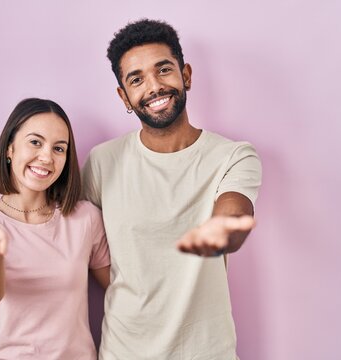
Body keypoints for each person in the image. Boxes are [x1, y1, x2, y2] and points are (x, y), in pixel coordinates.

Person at [81, 19, 262, 359]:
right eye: (137, 79)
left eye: (163, 70)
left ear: (186, 75)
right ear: (124, 96)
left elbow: (233, 217)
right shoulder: (102, 162)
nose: (154, 87)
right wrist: (136, 291)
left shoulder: (233, 156)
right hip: (125, 352)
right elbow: (82, 244)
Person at [0, 98, 110, 360]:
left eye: (59, 149)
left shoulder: (85, 219)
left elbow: (121, 290)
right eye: (35, 142)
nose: (47, 157)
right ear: (10, 148)